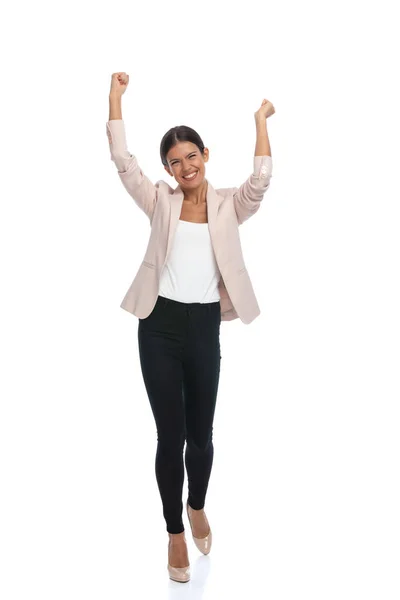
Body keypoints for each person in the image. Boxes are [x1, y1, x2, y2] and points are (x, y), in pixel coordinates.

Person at [107, 72, 275, 582]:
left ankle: (196, 504)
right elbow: (122, 162)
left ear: (206, 154)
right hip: (157, 326)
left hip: (204, 326)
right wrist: (115, 97)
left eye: (191, 156)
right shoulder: (160, 200)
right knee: (170, 435)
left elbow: (261, 180)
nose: (185, 167)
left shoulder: (229, 206)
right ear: (168, 168)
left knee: (200, 437)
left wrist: (260, 121)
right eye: (175, 161)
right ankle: (174, 533)